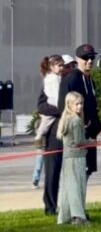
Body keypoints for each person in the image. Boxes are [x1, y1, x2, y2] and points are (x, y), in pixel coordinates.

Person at [60, 44, 101, 177]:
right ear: (77, 59)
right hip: (77, 135)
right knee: (78, 173)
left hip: (90, 134)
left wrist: (96, 124)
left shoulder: (90, 80)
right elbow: (63, 106)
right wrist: (78, 125)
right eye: (85, 58)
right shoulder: (71, 79)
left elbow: (92, 105)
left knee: (87, 170)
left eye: (92, 58)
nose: (89, 61)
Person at [56, 91, 91, 226]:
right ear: (69, 105)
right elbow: (79, 141)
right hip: (77, 158)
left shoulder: (66, 119)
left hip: (67, 158)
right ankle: (79, 217)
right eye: (77, 104)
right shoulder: (76, 120)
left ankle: (64, 217)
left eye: (81, 103)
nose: (80, 106)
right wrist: (92, 142)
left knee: (67, 188)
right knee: (77, 188)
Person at [31, 55, 64, 189]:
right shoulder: (52, 78)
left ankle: (40, 136)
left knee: (47, 121)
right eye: (59, 65)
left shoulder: (55, 77)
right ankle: (39, 135)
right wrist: (60, 108)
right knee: (46, 121)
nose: (61, 68)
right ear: (51, 66)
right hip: (52, 105)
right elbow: (55, 95)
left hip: (52, 107)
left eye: (62, 65)